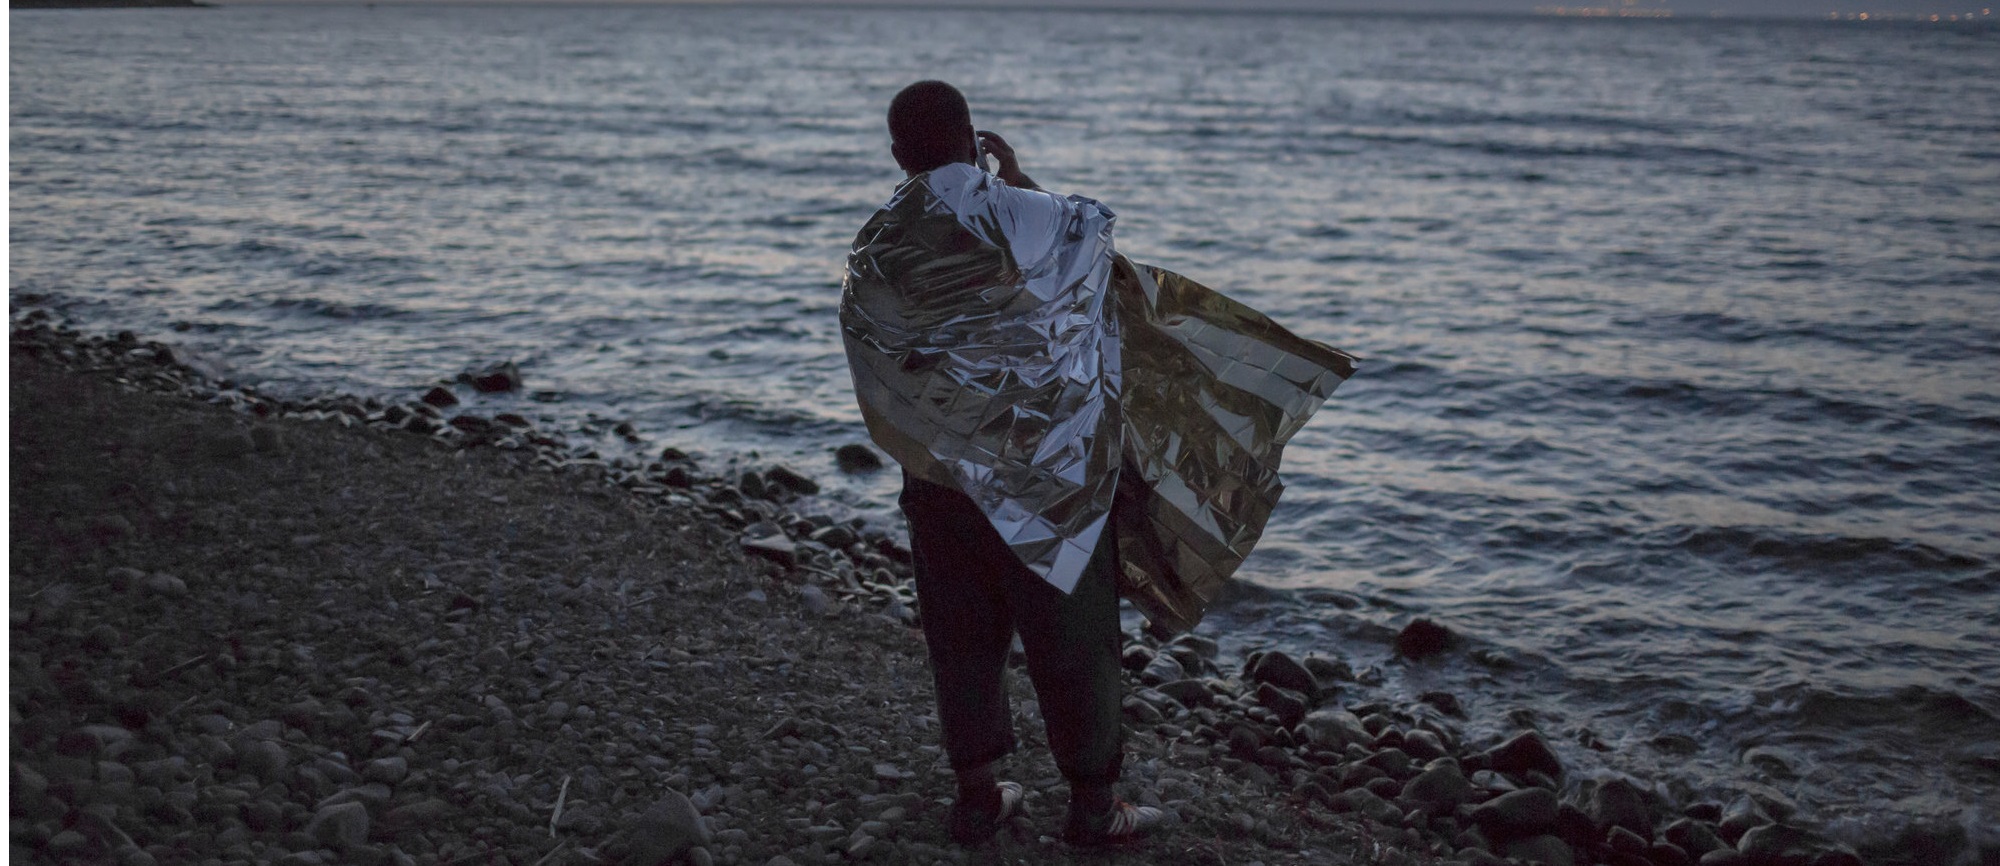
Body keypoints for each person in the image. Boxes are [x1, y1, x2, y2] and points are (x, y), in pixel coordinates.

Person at [838, 80, 1165, 847]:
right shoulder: (1029, 214)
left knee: (958, 635)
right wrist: (1021, 184)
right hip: (1047, 471)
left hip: (941, 472)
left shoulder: (878, 238)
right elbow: (1095, 253)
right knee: (1075, 635)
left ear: (897, 154)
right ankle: (1094, 807)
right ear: (974, 138)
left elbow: (872, 343)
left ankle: (980, 795)